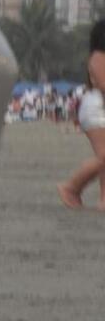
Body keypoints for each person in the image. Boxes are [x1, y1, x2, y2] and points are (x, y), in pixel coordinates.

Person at [57, 20, 105, 209]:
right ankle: (72, 187)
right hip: (97, 108)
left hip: (97, 106)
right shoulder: (99, 56)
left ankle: (104, 200)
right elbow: (103, 84)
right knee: (104, 156)